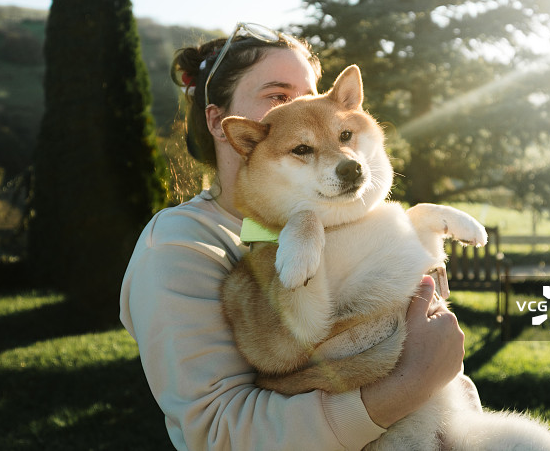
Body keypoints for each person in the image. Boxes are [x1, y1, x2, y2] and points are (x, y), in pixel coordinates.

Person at [120, 23, 477, 450]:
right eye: (278, 96)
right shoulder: (178, 244)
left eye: (311, 93)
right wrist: (409, 385)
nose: (304, 108)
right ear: (220, 122)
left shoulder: (343, 212)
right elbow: (218, 433)